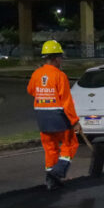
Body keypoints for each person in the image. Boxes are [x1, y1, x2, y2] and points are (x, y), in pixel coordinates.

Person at [27, 40, 80, 190]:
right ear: (56, 58)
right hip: (58, 117)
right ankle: (57, 172)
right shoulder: (60, 75)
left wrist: (43, 93)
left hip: (42, 117)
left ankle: (50, 181)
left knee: (50, 148)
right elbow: (66, 101)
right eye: (61, 57)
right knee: (71, 143)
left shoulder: (37, 73)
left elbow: (31, 90)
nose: (61, 60)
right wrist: (75, 121)